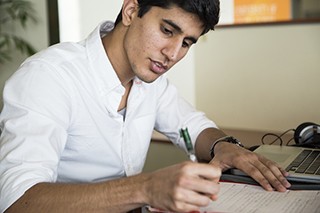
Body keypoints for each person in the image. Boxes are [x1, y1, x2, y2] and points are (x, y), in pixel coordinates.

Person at [0, 0, 291, 212]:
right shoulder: (48, 76)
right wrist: (146, 188)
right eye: (167, 30)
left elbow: (194, 126)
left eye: (187, 42)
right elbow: (17, 201)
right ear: (131, 11)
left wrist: (224, 146)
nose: (173, 54)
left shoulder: (149, 81)